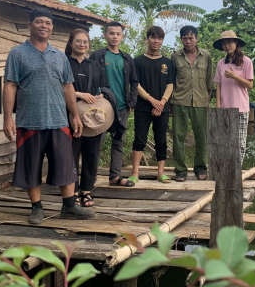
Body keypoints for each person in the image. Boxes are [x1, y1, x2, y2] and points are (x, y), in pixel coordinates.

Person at [3, 8, 94, 225]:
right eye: (39, 22)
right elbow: (10, 86)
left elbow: (68, 87)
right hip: (29, 120)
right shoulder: (17, 54)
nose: (44, 26)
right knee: (30, 166)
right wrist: (8, 117)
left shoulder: (59, 56)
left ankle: (69, 206)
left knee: (66, 164)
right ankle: (37, 208)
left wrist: (74, 115)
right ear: (30, 24)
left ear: (52, 28)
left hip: (58, 120)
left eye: (48, 23)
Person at [89, 21, 139, 187]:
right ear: (105, 35)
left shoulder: (127, 58)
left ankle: (115, 177)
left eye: (118, 34)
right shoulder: (97, 56)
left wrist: (131, 102)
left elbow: (134, 82)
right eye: (111, 33)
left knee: (118, 142)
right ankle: (90, 179)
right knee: (96, 143)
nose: (114, 37)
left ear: (122, 37)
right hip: (101, 106)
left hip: (122, 107)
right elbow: (90, 79)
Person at [65, 29, 110, 208]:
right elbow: (58, 87)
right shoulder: (64, 63)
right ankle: (73, 191)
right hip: (69, 115)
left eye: (85, 42)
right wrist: (80, 94)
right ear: (70, 43)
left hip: (92, 118)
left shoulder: (95, 66)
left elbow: (105, 87)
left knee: (91, 154)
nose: (82, 44)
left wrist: (100, 97)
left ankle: (87, 190)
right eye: (78, 41)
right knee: (72, 154)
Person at [170, 25, 215, 182]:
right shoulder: (175, 56)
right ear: (181, 39)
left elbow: (210, 82)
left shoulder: (206, 56)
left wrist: (207, 101)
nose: (188, 41)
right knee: (178, 136)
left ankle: (200, 167)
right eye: (185, 38)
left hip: (201, 102)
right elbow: (171, 81)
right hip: (179, 101)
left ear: (196, 38)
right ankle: (180, 169)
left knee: (201, 136)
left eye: (191, 38)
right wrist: (170, 101)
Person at [132, 26, 176, 183]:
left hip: (162, 108)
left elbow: (170, 84)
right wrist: (151, 100)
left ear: (162, 41)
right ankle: (135, 172)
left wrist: (162, 102)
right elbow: (135, 84)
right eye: (153, 37)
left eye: (159, 38)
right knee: (140, 139)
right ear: (147, 38)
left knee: (161, 139)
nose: (156, 41)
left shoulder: (167, 63)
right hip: (143, 107)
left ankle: (161, 173)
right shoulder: (137, 61)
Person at [213, 30, 254, 164]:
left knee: (240, 143)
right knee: (225, 141)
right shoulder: (221, 63)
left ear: (236, 43)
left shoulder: (246, 61)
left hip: (241, 108)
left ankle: (236, 171)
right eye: (224, 43)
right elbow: (218, 86)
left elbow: (249, 85)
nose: (227, 45)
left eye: (229, 42)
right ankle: (226, 169)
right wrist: (218, 107)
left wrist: (235, 77)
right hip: (225, 108)